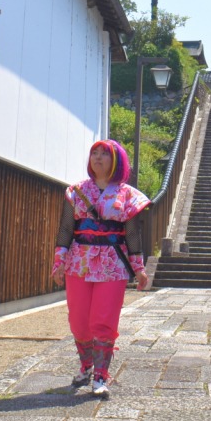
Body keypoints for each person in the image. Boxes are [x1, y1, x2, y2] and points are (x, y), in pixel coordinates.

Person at [51, 139, 151, 396]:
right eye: (94, 153)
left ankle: (100, 376)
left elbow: (132, 234)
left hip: (112, 265)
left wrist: (138, 268)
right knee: (79, 320)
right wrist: (59, 262)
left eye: (104, 154)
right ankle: (86, 365)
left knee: (104, 319)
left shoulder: (128, 195)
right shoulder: (75, 191)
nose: (97, 157)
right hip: (79, 262)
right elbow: (66, 229)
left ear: (116, 160)